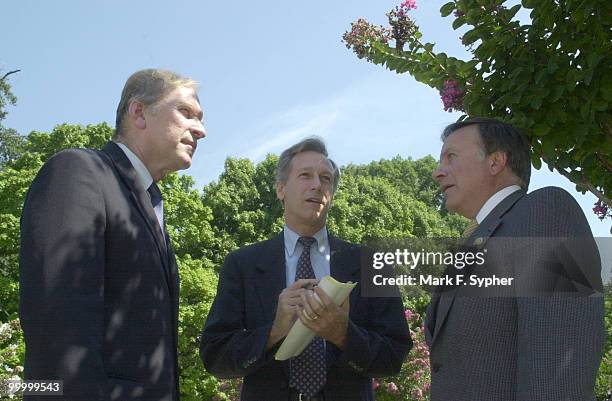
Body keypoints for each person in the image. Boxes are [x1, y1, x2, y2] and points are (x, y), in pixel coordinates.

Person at [19, 68, 206, 401]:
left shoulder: (152, 206)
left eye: (200, 118)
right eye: (186, 112)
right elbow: (57, 330)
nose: (201, 130)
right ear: (138, 113)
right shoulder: (78, 172)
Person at [200, 137, 411, 401]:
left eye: (326, 179)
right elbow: (215, 356)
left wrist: (343, 334)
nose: (317, 185)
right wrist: (274, 331)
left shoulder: (372, 263)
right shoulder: (241, 264)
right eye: (305, 175)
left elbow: (394, 355)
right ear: (280, 189)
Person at [426, 117, 605, 401]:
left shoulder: (545, 214)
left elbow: (560, 367)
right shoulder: (472, 242)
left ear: (495, 162)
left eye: (451, 157)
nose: (438, 172)